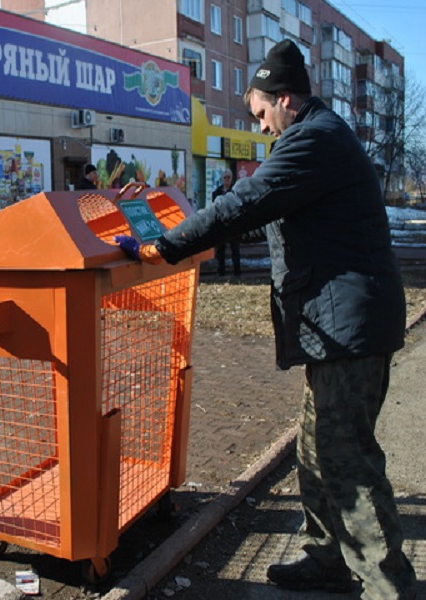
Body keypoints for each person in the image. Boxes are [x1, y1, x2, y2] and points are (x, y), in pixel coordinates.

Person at [116, 39, 416, 600]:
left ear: (284, 99)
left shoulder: (313, 140)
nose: (262, 128)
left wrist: (169, 245)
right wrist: (184, 227)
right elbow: (264, 218)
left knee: (346, 457)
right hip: (340, 326)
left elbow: (247, 202)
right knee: (313, 448)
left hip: (349, 329)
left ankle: (389, 587)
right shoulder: (315, 139)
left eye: (260, 115)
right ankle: (327, 559)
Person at [212, 169, 241, 278]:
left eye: (228, 177)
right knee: (221, 251)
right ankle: (221, 273)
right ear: (222, 179)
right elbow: (214, 208)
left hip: (233, 225)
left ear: (231, 178)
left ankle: (237, 274)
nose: (226, 179)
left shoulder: (235, 191)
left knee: (235, 251)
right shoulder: (216, 193)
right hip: (221, 225)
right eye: (225, 177)